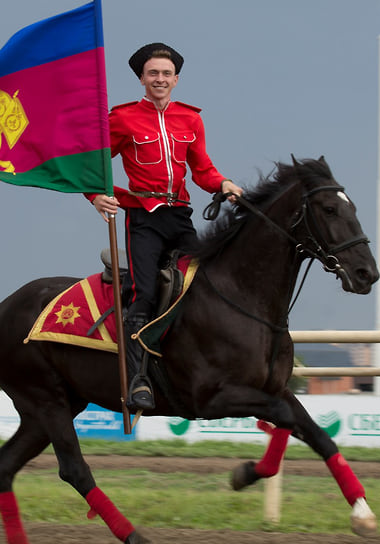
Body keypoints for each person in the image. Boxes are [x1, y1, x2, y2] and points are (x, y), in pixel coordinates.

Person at [89, 42, 243, 411]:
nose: (160, 79)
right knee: (144, 297)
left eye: (166, 74)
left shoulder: (190, 119)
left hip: (181, 215)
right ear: (142, 79)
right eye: (153, 73)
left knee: (206, 285)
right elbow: (93, 162)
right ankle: (137, 381)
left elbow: (202, 168)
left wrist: (222, 184)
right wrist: (95, 195)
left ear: (176, 80)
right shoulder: (122, 117)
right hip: (143, 216)